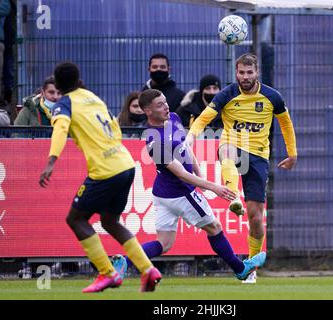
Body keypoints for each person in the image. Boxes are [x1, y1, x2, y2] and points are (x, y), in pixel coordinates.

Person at [112, 89, 266, 281]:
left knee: (164, 244)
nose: (166, 106)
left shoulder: (174, 118)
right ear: (147, 111)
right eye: (159, 105)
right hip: (180, 193)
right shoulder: (154, 141)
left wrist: (200, 174)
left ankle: (124, 262)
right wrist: (213, 187)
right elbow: (181, 174)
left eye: (165, 101)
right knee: (215, 227)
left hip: (163, 194)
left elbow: (186, 149)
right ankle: (240, 268)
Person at [39, 62, 161, 293]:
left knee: (76, 219)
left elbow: (61, 129)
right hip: (125, 163)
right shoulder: (92, 97)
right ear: (78, 79)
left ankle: (107, 273)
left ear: (59, 83)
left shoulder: (64, 104)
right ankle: (148, 269)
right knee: (110, 221)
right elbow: (115, 128)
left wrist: (51, 161)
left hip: (105, 170)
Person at [186, 53, 298, 283]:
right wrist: (190, 138)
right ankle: (232, 193)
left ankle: (251, 267)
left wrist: (292, 153)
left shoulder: (272, 96)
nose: (245, 77)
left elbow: (286, 123)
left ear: (257, 73)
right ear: (236, 73)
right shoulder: (227, 94)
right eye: (241, 72)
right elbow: (204, 118)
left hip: (258, 156)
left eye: (249, 72)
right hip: (232, 144)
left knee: (256, 218)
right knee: (226, 149)